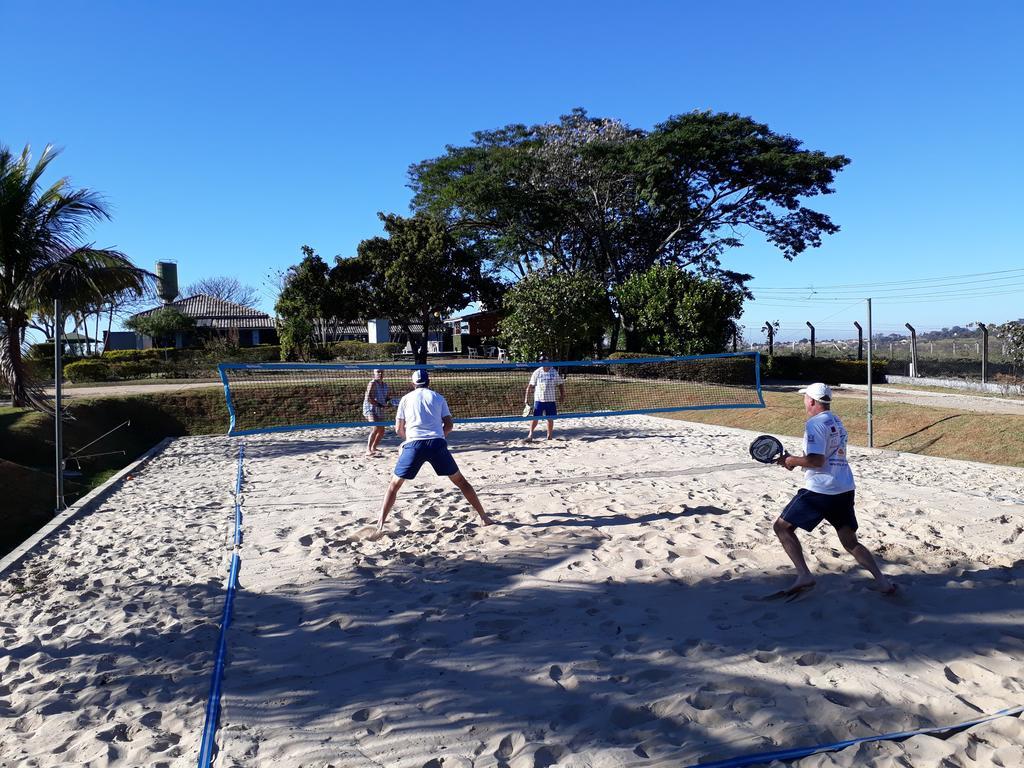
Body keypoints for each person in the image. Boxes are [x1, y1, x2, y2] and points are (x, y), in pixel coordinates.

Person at [772, 383, 895, 596]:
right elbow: (824, 455)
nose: (804, 402)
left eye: (805, 398)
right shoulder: (835, 420)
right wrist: (796, 460)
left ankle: (804, 575)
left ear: (811, 401)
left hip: (821, 490)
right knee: (850, 541)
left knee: (782, 527)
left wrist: (791, 460)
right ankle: (883, 581)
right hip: (844, 487)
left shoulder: (814, 424)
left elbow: (816, 460)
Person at [373, 369, 492, 536]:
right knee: (461, 482)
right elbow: (449, 426)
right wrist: (437, 437)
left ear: (412, 383)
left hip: (414, 445)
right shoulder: (438, 397)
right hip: (437, 444)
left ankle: (380, 524)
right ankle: (484, 517)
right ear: (429, 382)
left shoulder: (405, 399)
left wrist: (408, 441)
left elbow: (399, 429)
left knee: (394, 486)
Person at [524, 354, 566, 440]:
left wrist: (562, 395)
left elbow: (560, 384)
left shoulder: (553, 372)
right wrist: (526, 398)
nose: (542, 363)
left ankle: (549, 436)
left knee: (550, 418)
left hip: (551, 400)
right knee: (535, 417)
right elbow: (530, 386)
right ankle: (530, 435)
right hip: (539, 399)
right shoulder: (537, 372)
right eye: (541, 361)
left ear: (548, 361)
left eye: (544, 361)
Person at [362, 369, 391, 457]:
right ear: (374, 373)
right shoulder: (372, 383)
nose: (380, 373)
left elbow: (387, 398)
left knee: (382, 430)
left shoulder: (385, 385)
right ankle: (368, 449)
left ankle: (374, 447)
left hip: (379, 409)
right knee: (375, 428)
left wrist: (390, 402)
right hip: (370, 408)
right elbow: (369, 399)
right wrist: (381, 405)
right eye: (378, 372)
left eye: (382, 371)